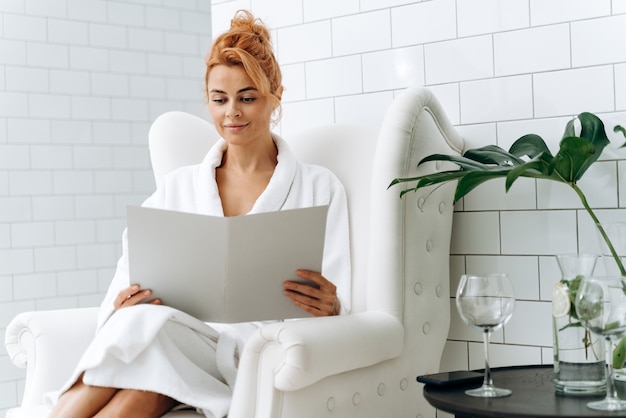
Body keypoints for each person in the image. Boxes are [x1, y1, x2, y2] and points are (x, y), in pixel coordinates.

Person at [46, 9, 351, 418]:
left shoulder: (319, 187)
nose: (232, 113)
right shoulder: (179, 187)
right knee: (138, 377)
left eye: (248, 98)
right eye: (219, 99)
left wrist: (333, 307)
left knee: (144, 350)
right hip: (172, 339)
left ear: (276, 96)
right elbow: (131, 271)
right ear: (206, 99)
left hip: (250, 356)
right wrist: (123, 304)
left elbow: (340, 293)